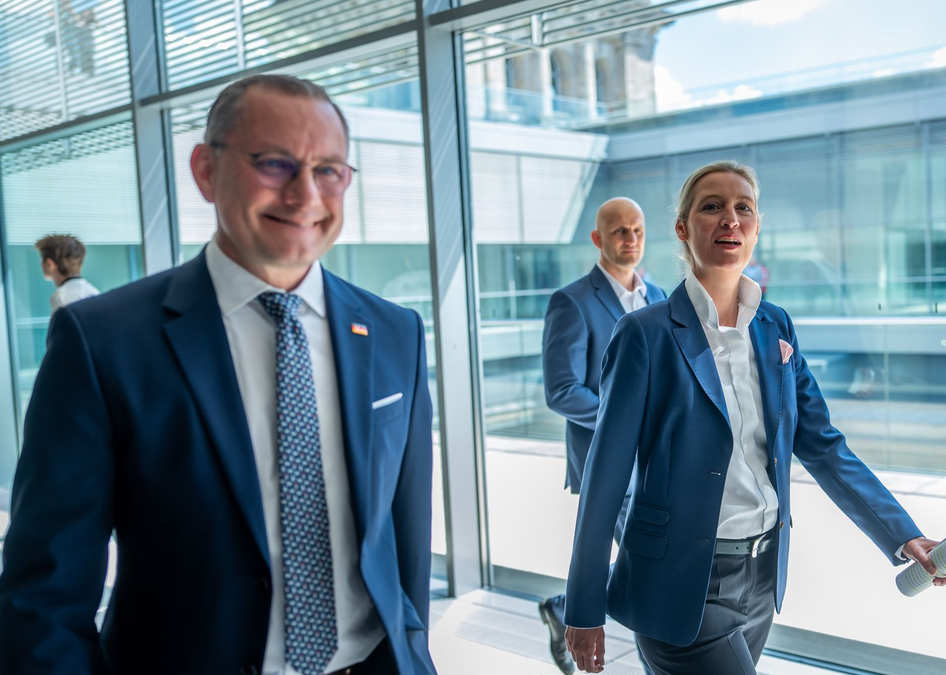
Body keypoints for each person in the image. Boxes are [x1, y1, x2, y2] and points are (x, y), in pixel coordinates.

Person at [0, 74, 437, 675]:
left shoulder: (397, 333)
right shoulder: (102, 341)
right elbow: (43, 592)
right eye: (276, 163)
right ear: (205, 170)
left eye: (329, 170)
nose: (306, 196)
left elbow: (404, 543)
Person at [563, 161, 946, 674]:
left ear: (756, 227)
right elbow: (605, 476)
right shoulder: (644, 334)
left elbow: (822, 443)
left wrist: (903, 534)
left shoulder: (774, 324)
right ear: (684, 229)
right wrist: (583, 608)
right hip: (681, 581)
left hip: (762, 575)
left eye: (743, 208)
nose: (730, 218)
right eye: (712, 207)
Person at [538, 197, 665, 675]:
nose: (630, 240)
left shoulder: (658, 296)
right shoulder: (571, 302)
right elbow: (561, 391)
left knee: (651, 555)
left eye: (637, 230)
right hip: (604, 461)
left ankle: (564, 604)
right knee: (649, 560)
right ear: (598, 239)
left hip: (655, 459)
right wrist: (625, 419)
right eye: (619, 232)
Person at [35, 234, 100, 314]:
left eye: (42, 261)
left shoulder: (60, 298)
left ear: (50, 264)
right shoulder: (93, 291)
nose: (41, 265)